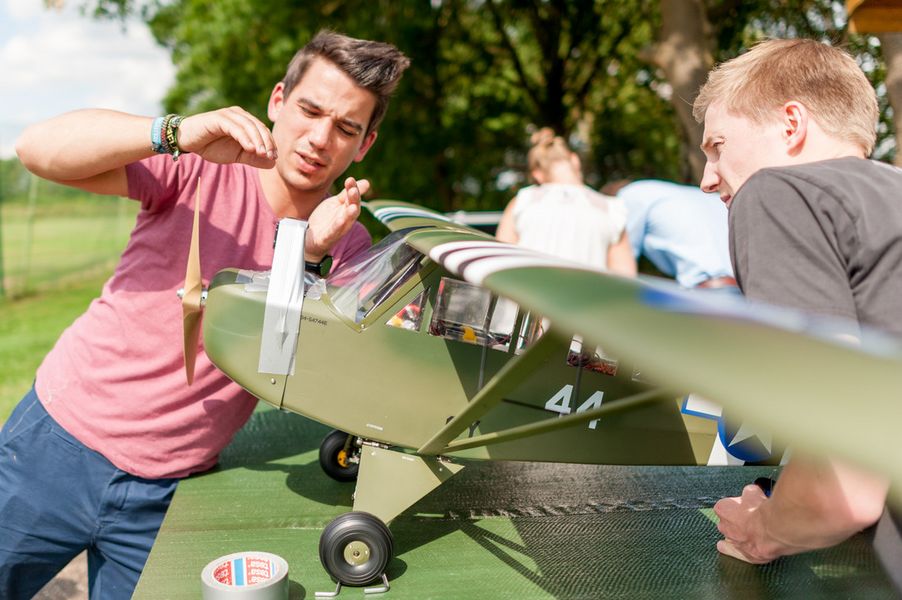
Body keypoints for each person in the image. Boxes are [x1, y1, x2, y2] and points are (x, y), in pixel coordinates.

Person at [2, 30, 409, 598]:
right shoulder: (200, 166)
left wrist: (309, 257)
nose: (319, 139)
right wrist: (173, 133)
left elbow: (300, 371)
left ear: (364, 144)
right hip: (55, 445)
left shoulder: (346, 242)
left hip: (173, 494)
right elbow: (37, 150)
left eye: (345, 128)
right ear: (277, 102)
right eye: (309, 110)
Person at [693, 38, 898, 567]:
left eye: (718, 145)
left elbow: (843, 485)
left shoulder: (779, 193)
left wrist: (763, 529)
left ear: (791, 124)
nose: (707, 177)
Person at [496, 128, 637, 276]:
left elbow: (499, 260)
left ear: (537, 174)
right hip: (586, 298)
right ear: (575, 160)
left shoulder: (522, 202)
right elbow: (625, 275)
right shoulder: (611, 209)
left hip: (527, 297)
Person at [603, 179, 736, 289]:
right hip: (746, 287)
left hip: (712, 289)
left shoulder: (623, 199)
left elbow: (621, 269)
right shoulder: (680, 193)